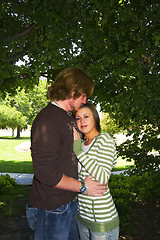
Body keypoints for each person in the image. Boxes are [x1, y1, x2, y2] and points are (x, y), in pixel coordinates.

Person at [26, 67, 107, 240]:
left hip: (70, 203)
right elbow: (45, 173)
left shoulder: (69, 117)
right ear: (72, 91)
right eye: (83, 95)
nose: (85, 100)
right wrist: (83, 187)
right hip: (51, 209)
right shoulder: (47, 121)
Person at [73, 102, 119, 240]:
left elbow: (103, 178)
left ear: (95, 118)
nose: (82, 121)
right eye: (78, 118)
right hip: (82, 218)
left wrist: (78, 152)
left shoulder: (104, 140)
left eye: (86, 116)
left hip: (102, 221)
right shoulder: (80, 144)